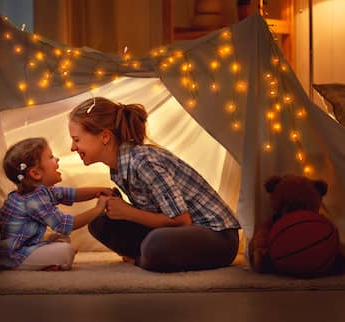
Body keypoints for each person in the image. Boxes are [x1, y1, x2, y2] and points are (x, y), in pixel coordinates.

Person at [68, 97, 241, 272]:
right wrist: (120, 209)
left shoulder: (144, 162)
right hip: (180, 234)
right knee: (100, 223)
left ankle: (143, 259)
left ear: (105, 137)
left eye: (76, 139)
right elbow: (155, 214)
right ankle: (147, 257)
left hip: (217, 237)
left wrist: (128, 212)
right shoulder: (118, 170)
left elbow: (181, 221)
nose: (72, 148)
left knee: (155, 243)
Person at [0, 137, 112, 271]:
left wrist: (99, 191)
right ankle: (45, 262)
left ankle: (47, 261)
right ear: (35, 173)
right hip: (14, 256)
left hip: (25, 245)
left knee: (62, 238)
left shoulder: (40, 191)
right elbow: (64, 225)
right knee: (66, 251)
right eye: (51, 157)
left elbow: (71, 194)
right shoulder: (34, 199)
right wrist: (98, 209)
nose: (57, 159)